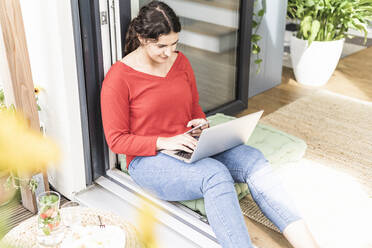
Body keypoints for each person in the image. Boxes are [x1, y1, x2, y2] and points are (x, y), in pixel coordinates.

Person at [101, 1, 319, 247]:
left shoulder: (179, 61)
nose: (168, 52)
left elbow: (193, 105)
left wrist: (200, 122)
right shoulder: (118, 78)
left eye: (174, 44)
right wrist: (165, 141)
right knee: (214, 175)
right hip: (148, 160)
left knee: (254, 159)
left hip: (191, 144)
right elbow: (117, 140)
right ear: (142, 38)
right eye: (161, 46)